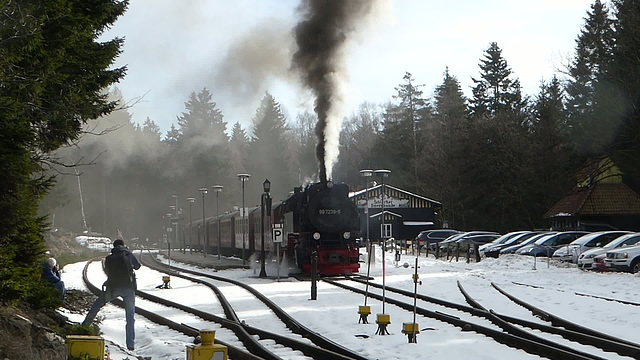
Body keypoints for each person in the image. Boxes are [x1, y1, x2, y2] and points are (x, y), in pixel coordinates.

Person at [82, 239, 141, 351]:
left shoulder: (109, 258)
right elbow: (137, 266)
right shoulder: (128, 254)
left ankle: (84, 327)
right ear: (123, 245)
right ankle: (130, 344)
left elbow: (108, 272)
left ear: (114, 247)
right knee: (130, 317)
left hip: (113, 289)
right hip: (128, 289)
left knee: (97, 305)